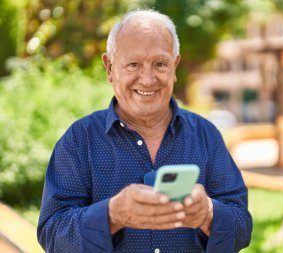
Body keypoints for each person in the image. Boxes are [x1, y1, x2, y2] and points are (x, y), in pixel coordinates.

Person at [37, 9, 252, 253]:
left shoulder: (206, 135)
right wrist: (112, 215)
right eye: (133, 64)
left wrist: (209, 214)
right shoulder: (79, 140)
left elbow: (242, 225)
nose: (148, 79)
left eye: (160, 64)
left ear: (175, 66)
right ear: (109, 67)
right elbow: (52, 234)